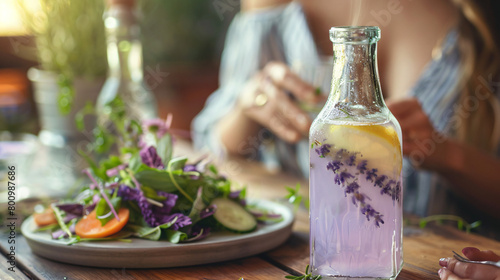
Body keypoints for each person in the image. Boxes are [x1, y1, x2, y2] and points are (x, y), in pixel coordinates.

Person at [192, 0, 500, 234]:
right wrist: (249, 106)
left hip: (440, 264)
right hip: (294, 256)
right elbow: (212, 153)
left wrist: (445, 153)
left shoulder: (480, 17)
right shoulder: (272, 7)